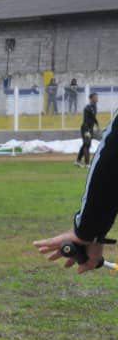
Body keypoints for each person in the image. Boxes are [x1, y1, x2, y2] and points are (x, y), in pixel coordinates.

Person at [34, 112, 118, 273]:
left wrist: (89, 231)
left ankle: (81, 160)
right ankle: (80, 160)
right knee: (85, 145)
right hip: (86, 130)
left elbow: (113, 157)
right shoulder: (88, 110)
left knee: (86, 145)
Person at [76, 92, 100, 168]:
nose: (97, 98)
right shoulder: (88, 107)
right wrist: (87, 131)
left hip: (90, 128)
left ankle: (77, 161)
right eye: (95, 97)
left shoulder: (94, 106)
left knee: (85, 144)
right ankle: (87, 163)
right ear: (91, 99)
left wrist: (97, 124)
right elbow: (86, 120)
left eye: (97, 97)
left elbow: (93, 118)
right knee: (87, 144)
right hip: (86, 128)